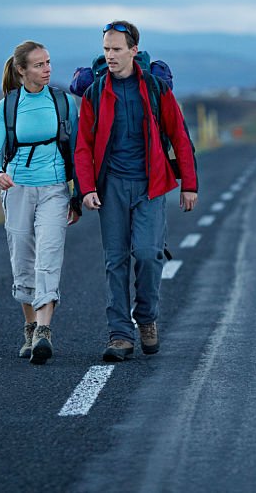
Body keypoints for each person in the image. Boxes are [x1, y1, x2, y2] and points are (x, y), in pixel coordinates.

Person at [75, 21, 198, 361]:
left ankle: (146, 318)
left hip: (151, 185)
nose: (110, 56)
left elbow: (179, 137)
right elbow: (82, 146)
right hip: (111, 185)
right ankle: (119, 334)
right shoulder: (95, 93)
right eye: (105, 50)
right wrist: (85, 188)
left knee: (147, 254)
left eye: (116, 49)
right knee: (115, 260)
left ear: (134, 51)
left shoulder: (157, 89)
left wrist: (189, 184)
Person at [0, 40, 81, 365]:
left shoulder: (63, 102)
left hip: (55, 189)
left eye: (49, 62)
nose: (47, 69)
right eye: (39, 65)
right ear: (21, 70)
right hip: (17, 190)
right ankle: (29, 326)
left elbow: (79, 152)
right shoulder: (8, 106)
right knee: (22, 260)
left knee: (48, 255)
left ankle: (43, 332)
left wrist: (78, 195)